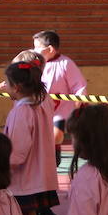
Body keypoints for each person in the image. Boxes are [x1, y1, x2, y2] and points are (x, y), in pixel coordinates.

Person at [2, 59, 61, 215]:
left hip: (24, 173)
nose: (5, 86)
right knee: (29, 213)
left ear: (16, 87)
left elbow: (18, 149)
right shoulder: (41, 103)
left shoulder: (21, 111)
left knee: (19, 211)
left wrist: (3, 164)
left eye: (6, 83)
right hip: (39, 170)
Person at [33, 31, 88, 170]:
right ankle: (47, 156)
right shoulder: (35, 64)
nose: (34, 51)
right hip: (41, 108)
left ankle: (53, 153)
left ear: (50, 49)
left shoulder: (66, 63)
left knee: (56, 136)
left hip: (61, 110)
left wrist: (80, 99)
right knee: (40, 136)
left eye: (37, 48)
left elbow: (78, 84)